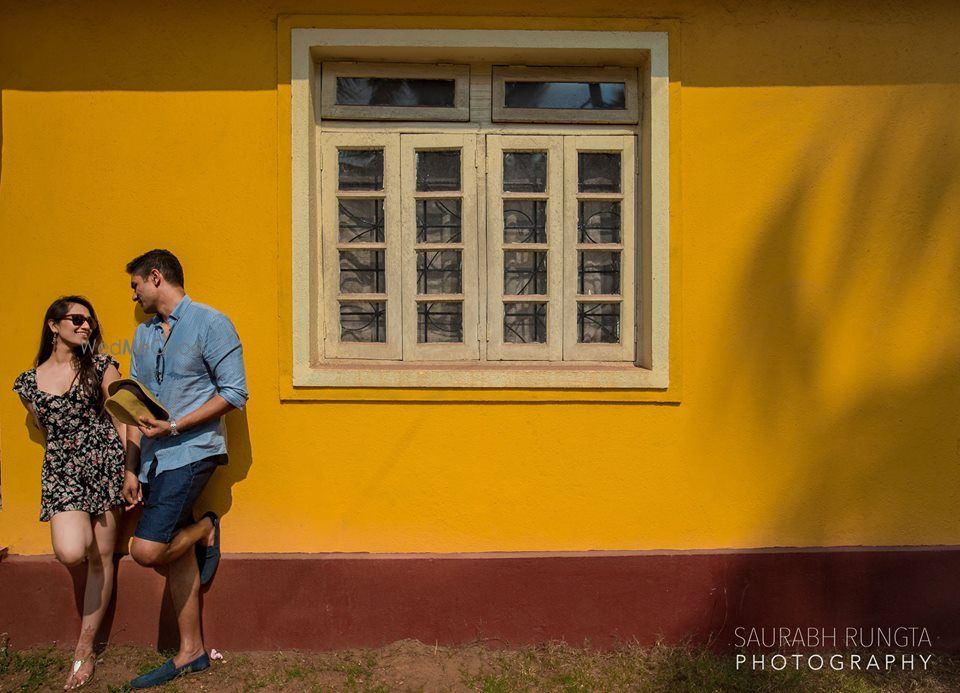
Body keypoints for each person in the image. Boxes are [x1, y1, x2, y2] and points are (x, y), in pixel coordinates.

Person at [120, 249, 248, 689]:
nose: (133, 295)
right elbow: (135, 407)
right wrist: (132, 468)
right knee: (173, 551)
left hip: (195, 451)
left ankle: (208, 528)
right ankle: (191, 651)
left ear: (155, 277)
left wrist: (176, 424)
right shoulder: (142, 336)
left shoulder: (212, 323)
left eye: (135, 284)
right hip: (155, 461)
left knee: (147, 550)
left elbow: (234, 392)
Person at [13, 296, 125, 690]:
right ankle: (86, 641)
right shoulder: (28, 382)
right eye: (76, 319)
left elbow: (121, 413)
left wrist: (129, 468)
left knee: (102, 557)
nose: (84, 327)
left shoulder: (101, 365)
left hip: (105, 461)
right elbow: (44, 428)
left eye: (89, 322)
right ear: (53, 324)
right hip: (62, 469)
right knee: (72, 551)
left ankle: (84, 648)